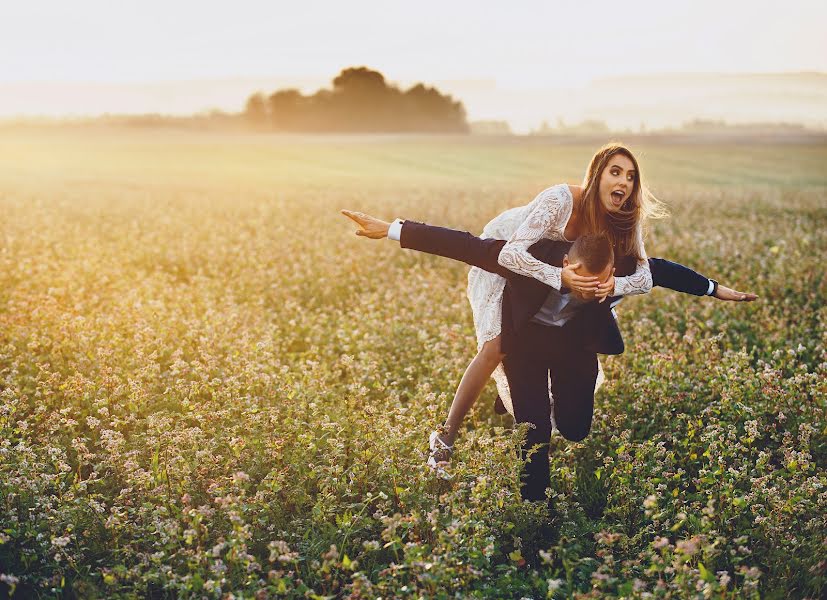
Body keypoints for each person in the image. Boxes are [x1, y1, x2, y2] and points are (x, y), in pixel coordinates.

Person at [342, 210, 756, 501]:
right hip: (525, 343)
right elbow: (466, 245)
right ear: (564, 264)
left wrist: (717, 290)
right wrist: (392, 229)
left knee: (575, 429)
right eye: (582, 282)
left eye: (601, 283)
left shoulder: (620, 273)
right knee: (534, 432)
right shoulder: (531, 262)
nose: (591, 290)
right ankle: (532, 507)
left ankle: (524, 408)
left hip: (572, 345)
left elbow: (663, 271)